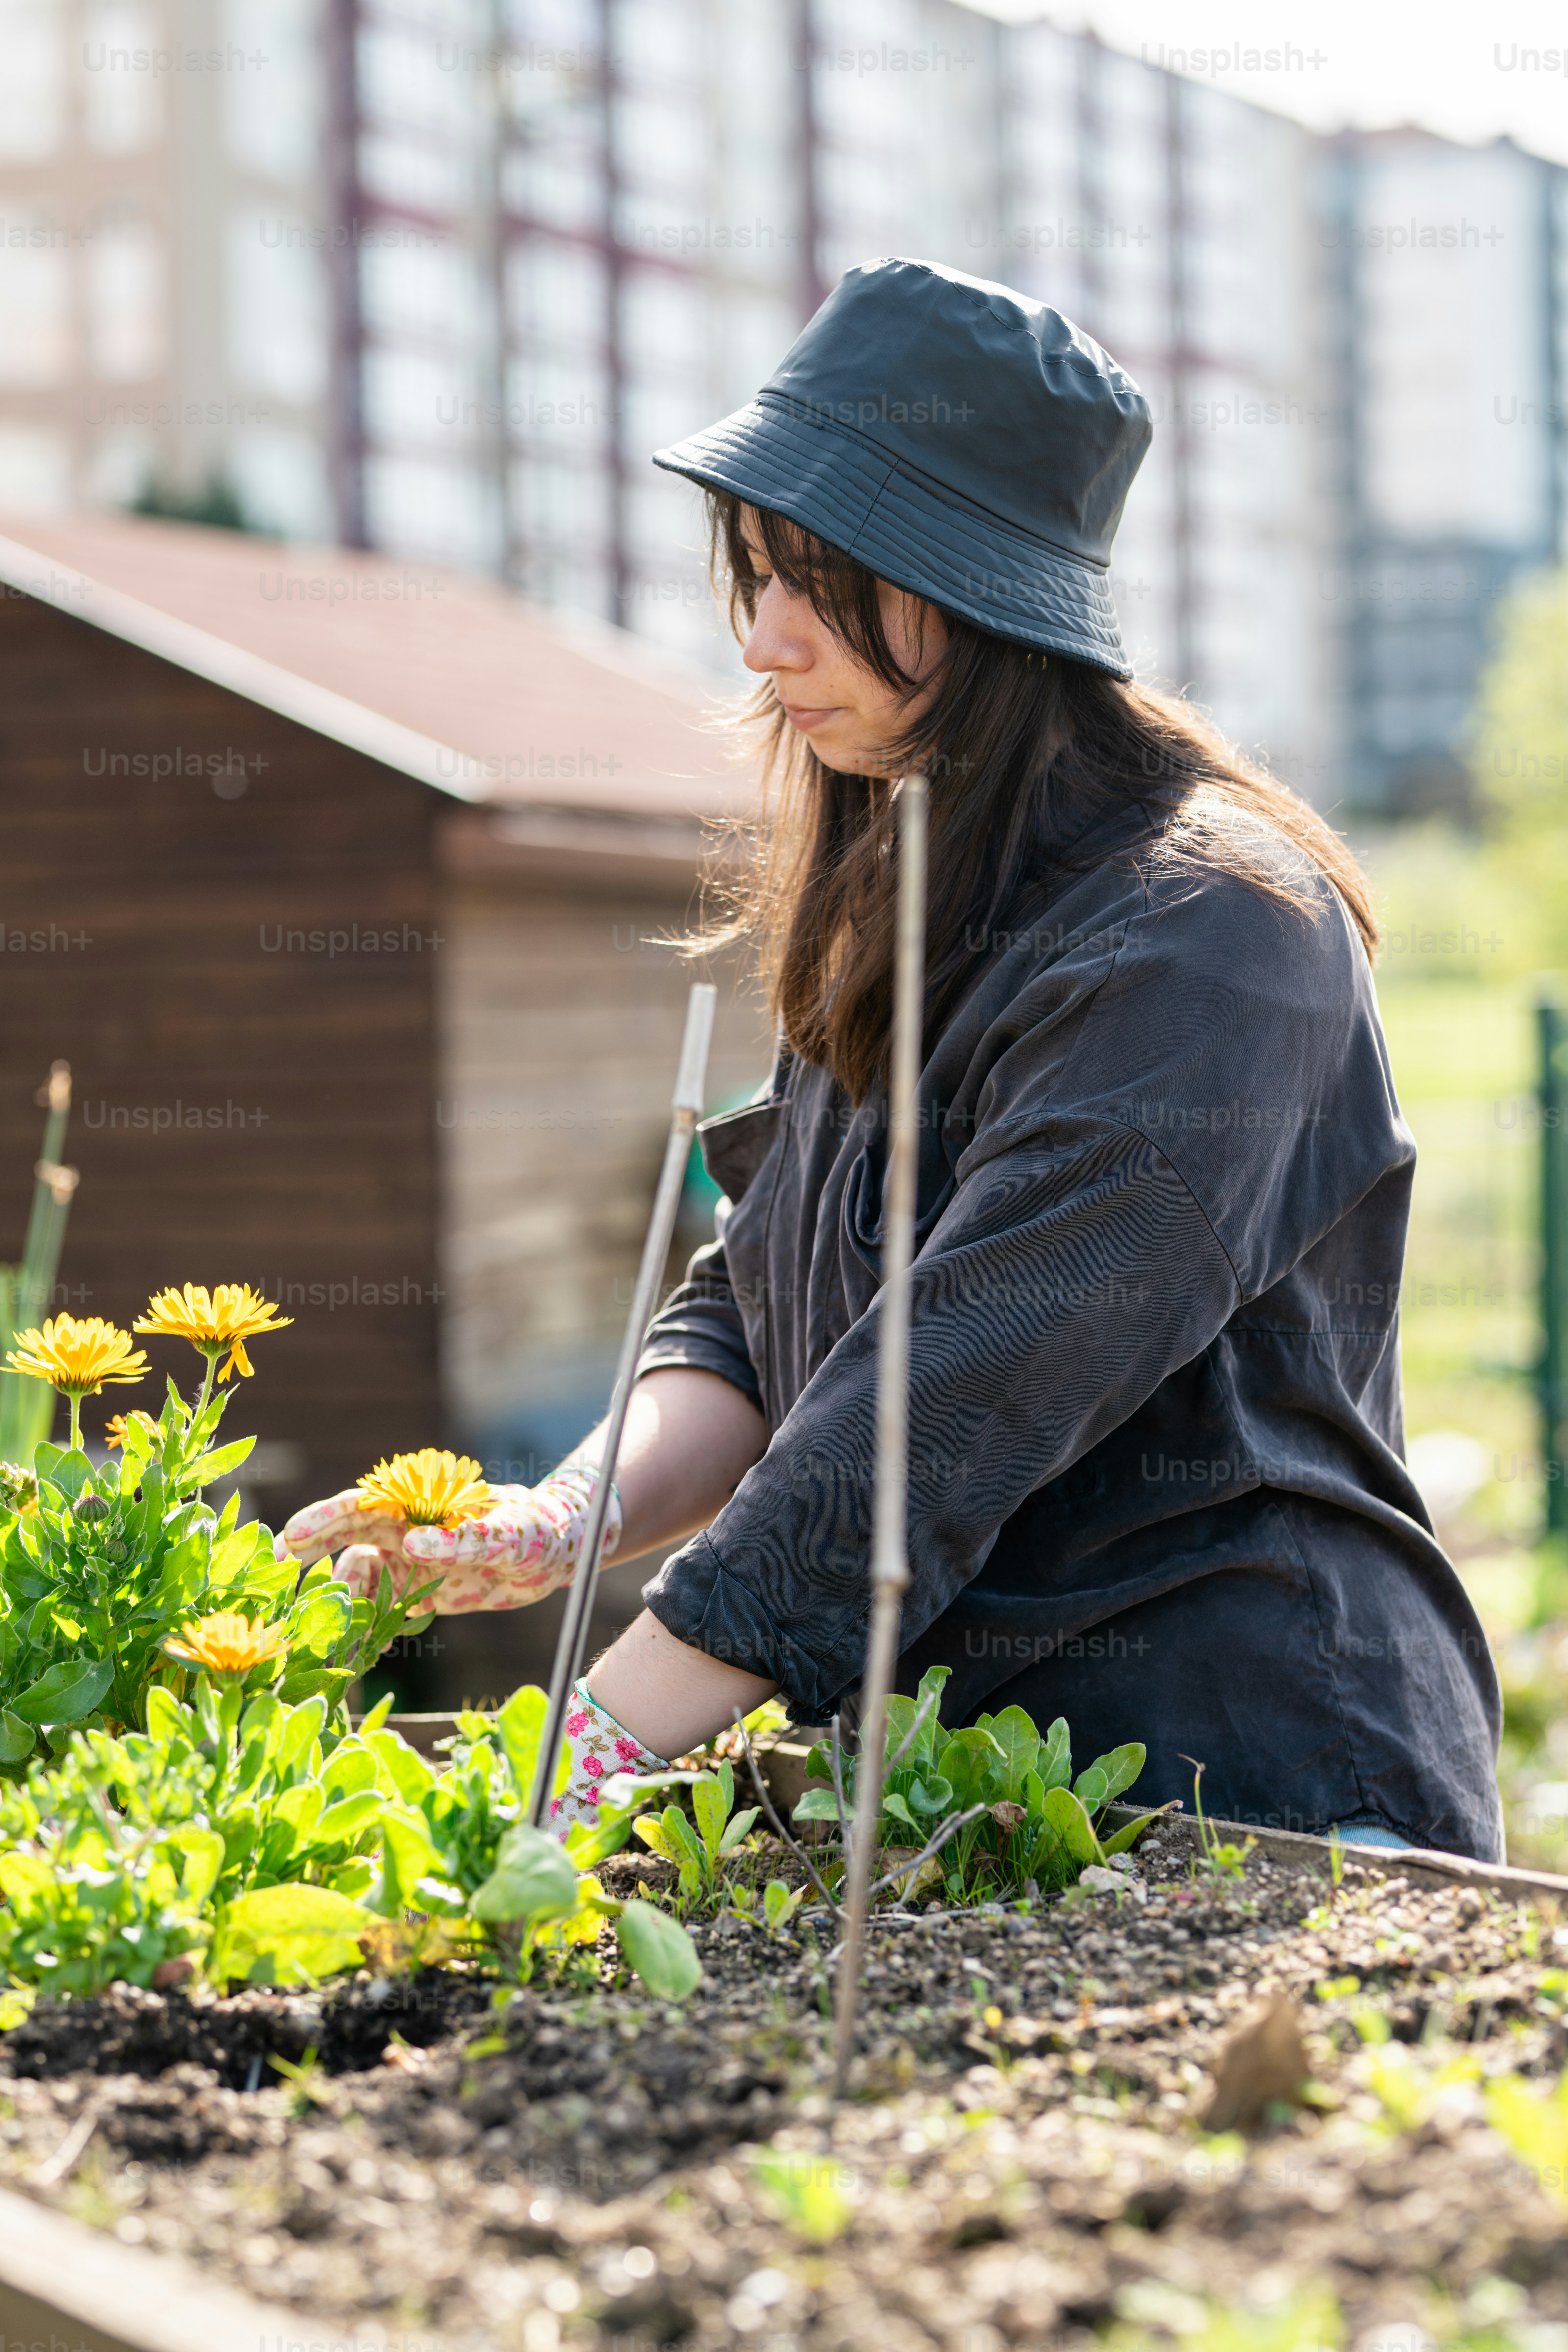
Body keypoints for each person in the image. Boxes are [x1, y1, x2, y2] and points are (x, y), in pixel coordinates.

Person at [283, 258, 1503, 1862]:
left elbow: (927, 1420)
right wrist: (560, 1522)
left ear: (976, 584)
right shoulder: (917, 890)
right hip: (966, 1791)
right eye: (755, 574)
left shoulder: (1212, 935)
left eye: (823, 576)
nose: (766, 641)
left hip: (1254, 1792)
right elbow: (752, 1300)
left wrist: (553, 1786)